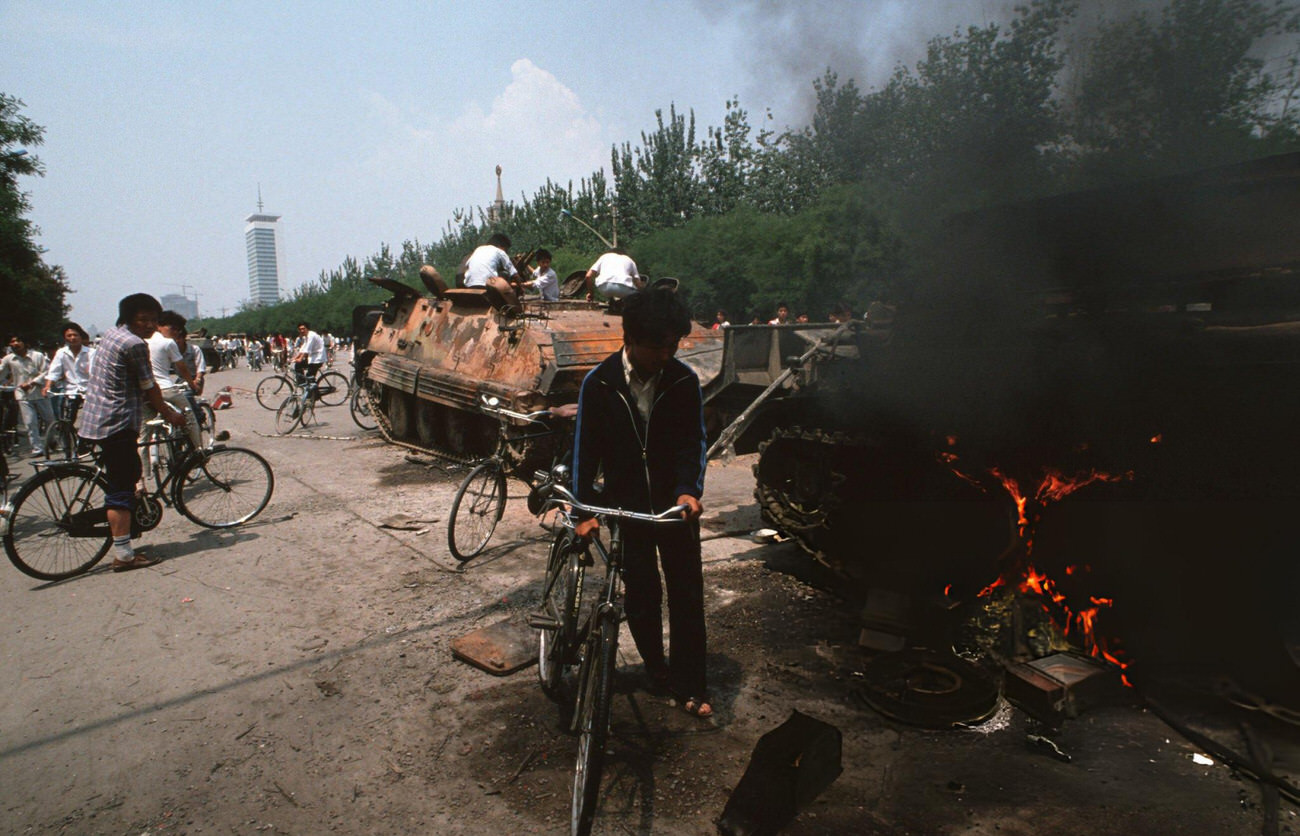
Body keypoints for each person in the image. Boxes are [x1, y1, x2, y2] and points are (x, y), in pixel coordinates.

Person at [571, 288, 712, 718]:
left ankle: (692, 684)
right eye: (658, 347)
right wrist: (583, 511)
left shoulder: (684, 381)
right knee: (642, 594)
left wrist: (690, 489)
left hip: (675, 508)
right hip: (628, 507)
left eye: (673, 346)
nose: (666, 355)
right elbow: (584, 451)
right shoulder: (599, 385)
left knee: (687, 594)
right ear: (630, 339)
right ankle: (656, 669)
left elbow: (694, 442)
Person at [78, 293, 187, 571]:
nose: (149, 325)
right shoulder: (134, 344)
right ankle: (124, 554)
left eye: (153, 320)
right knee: (121, 487)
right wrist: (170, 414)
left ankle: (126, 530)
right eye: (143, 319)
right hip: (117, 422)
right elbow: (149, 386)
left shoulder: (111, 335)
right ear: (128, 318)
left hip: (97, 416)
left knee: (127, 474)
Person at [138, 311, 201, 465]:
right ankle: (200, 452)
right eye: (173, 328)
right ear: (160, 326)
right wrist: (193, 385)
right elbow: (182, 368)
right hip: (166, 390)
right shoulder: (168, 343)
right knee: (190, 418)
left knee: (144, 436)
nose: (176, 332)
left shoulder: (141, 340)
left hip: (145, 393)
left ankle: (141, 480)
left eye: (178, 330)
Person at [0, 335, 54, 457]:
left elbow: (46, 372)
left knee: (49, 420)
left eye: (18, 341)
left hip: (40, 393)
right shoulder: (9, 359)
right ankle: (37, 448)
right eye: (12, 341)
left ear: (25, 343)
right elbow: (1, 372)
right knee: (30, 422)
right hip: (22, 395)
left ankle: (51, 440)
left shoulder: (37, 356)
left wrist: (32, 382)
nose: (15, 343)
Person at [42, 322, 96, 432]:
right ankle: (67, 446)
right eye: (69, 336)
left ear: (81, 336)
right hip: (70, 392)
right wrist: (47, 386)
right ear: (65, 338)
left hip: (89, 392)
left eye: (75, 335)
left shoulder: (91, 353)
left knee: (90, 421)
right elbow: (54, 371)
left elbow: (94, 373)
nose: (72, 338)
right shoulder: (61, 353)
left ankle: (87, 442)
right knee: (65, 422)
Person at [290, 322, 327, 391]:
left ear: (307, 328)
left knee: (309, 376)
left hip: (318, 358)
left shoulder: (311, 335)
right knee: (298, 366)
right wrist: (295, 358)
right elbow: (303, 348)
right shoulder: (306, 337)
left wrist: (300, 358)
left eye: (303, 328)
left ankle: (314, 394)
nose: (302, 331)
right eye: (300, 329)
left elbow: (307, 349)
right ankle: (304, 385)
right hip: (313, 357)